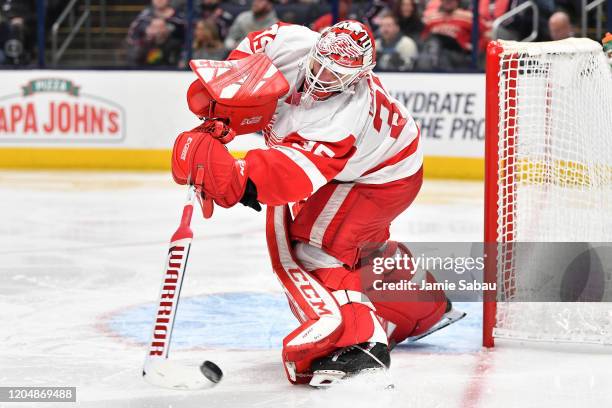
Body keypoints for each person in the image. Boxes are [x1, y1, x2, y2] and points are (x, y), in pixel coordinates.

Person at [170, 21, 464, 386]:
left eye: (336, 74)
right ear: (314, 47)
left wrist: (234, 177)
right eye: (319, 63)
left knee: (317, 248)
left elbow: (290, 175)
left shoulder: (344, 116)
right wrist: (226, 102)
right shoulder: (289, 42)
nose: (322, 77)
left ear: (358, 77)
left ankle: (361, 344)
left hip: (380, 176)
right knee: (355, 245)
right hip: (372, 166)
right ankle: (423, 307)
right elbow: (245, 62)